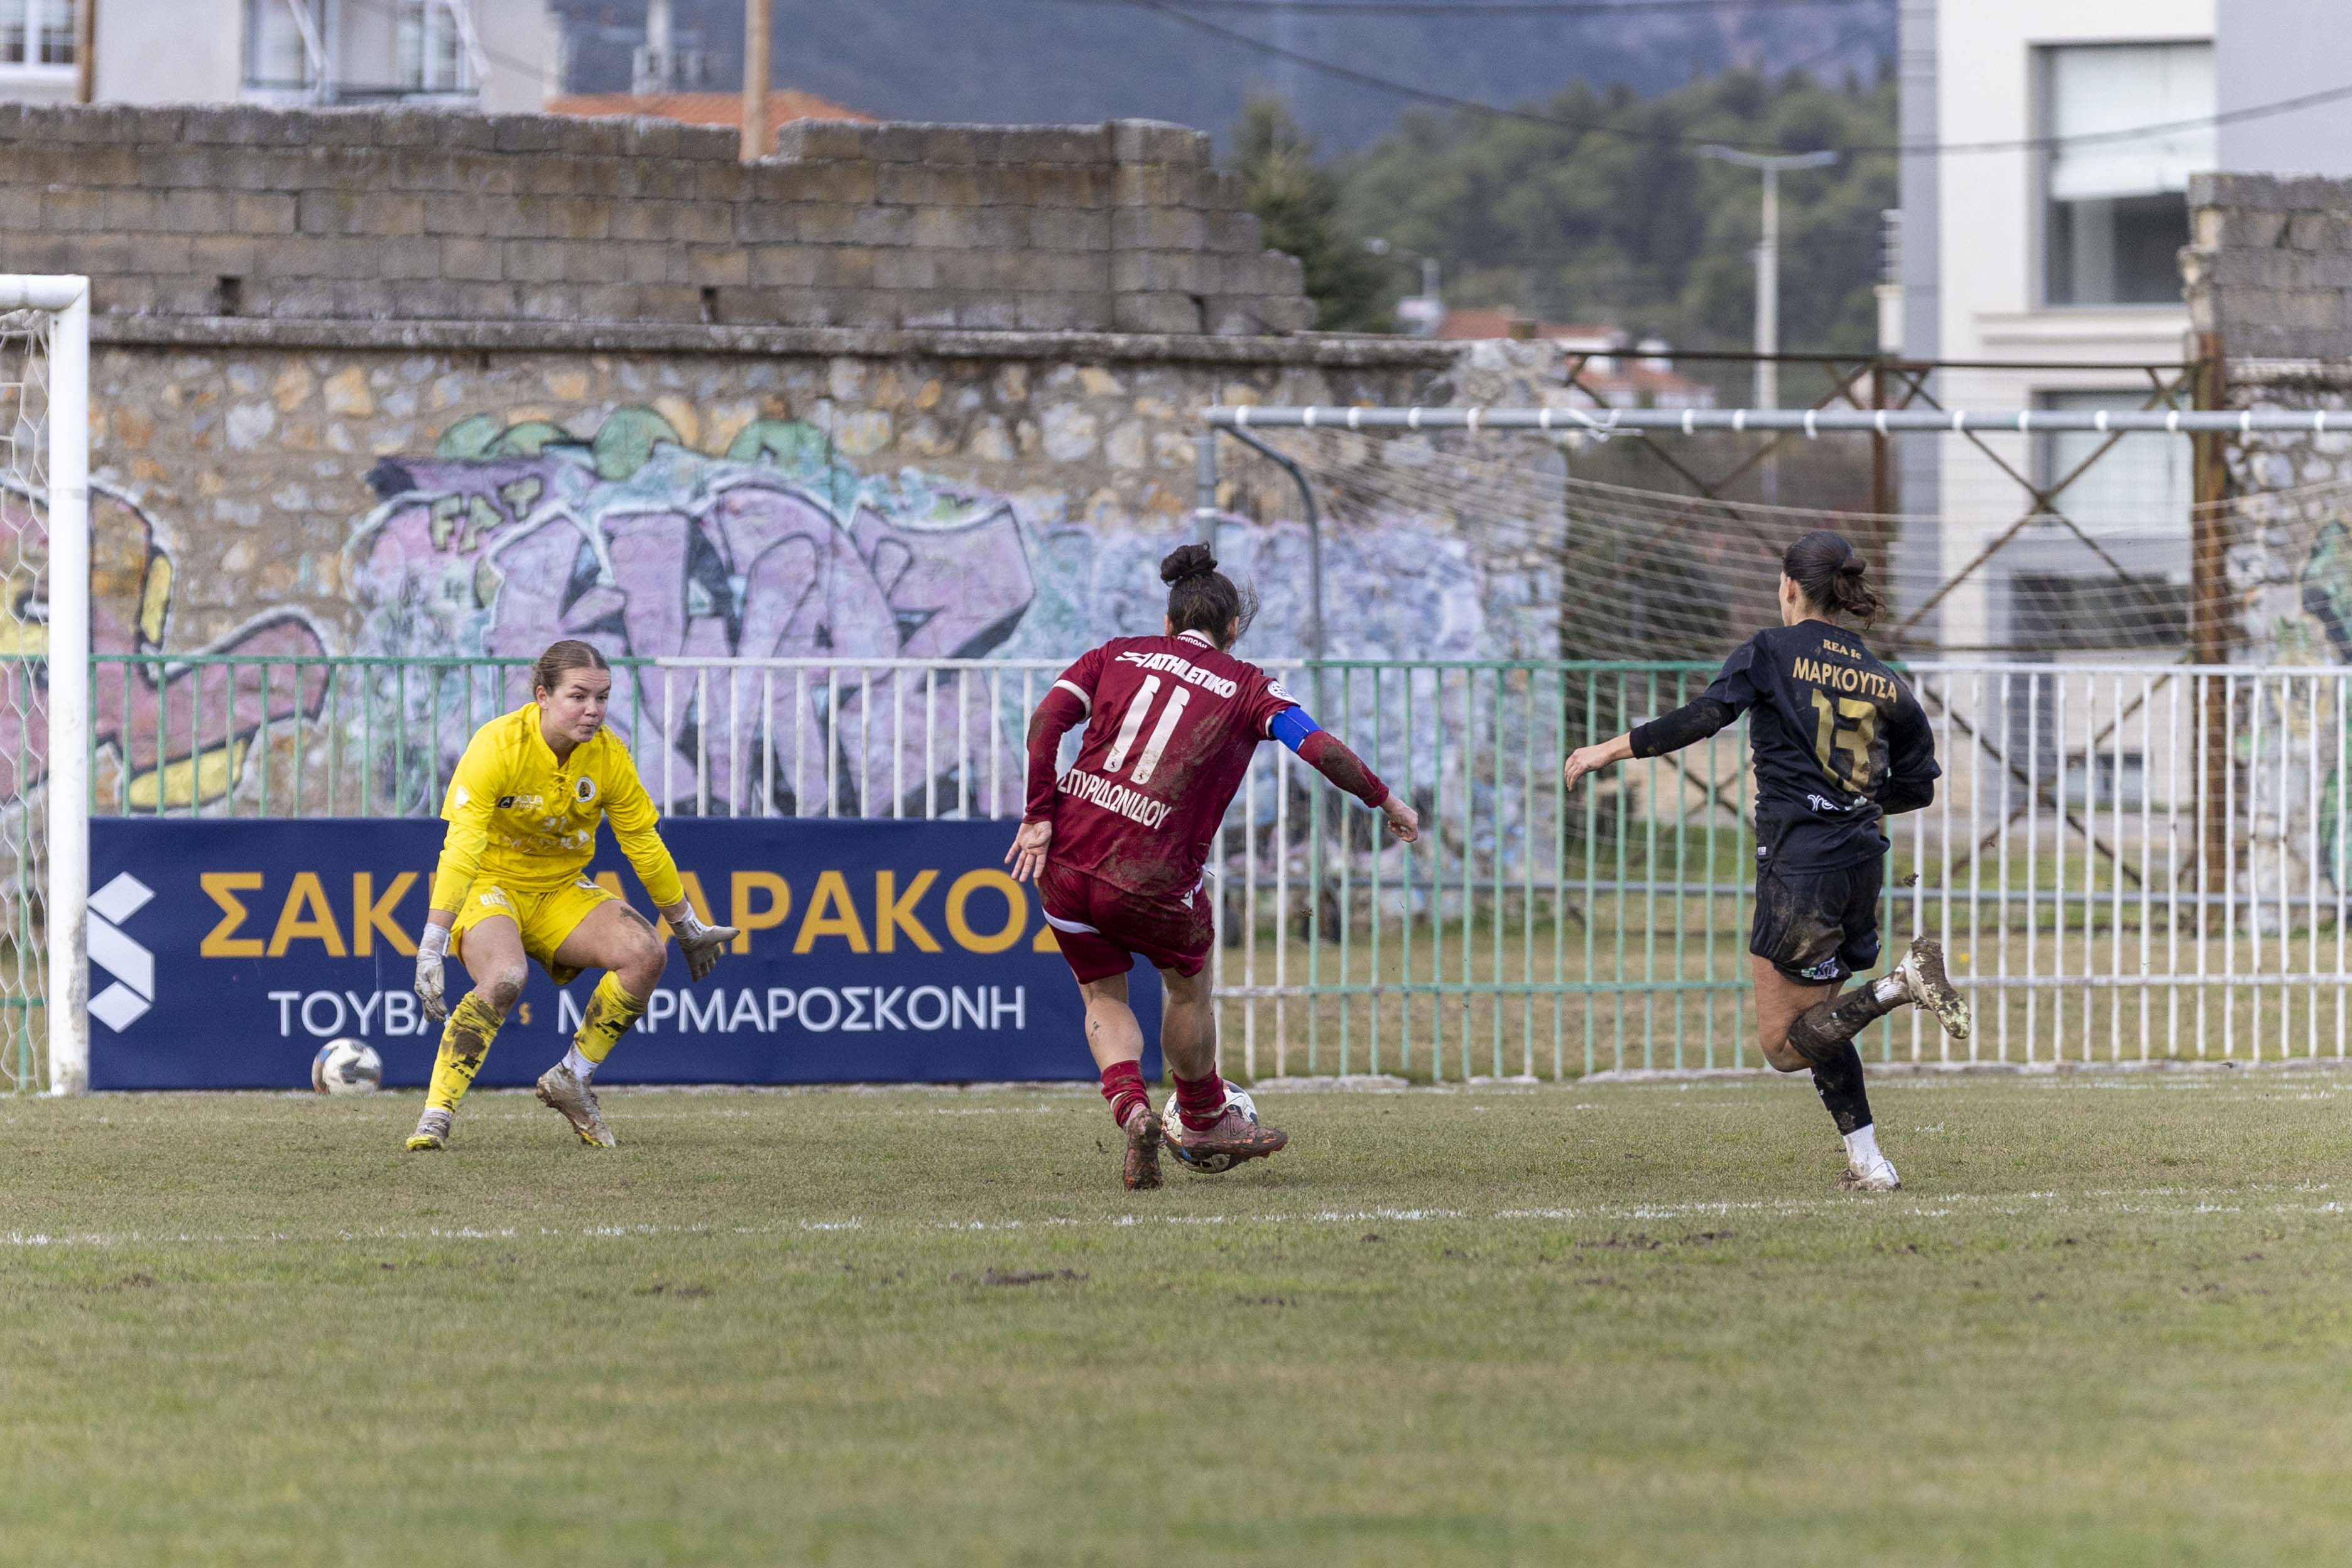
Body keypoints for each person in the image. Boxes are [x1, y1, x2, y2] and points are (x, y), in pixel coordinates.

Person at [1560, 530, 1969, 1192]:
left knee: (1783, 1045)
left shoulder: (1770, 652)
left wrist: (1608, 749)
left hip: (1800, 866)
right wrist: (1856, 802)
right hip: (1860, 863)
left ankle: (1899, 986)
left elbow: (1705, 716)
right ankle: (1869, 1164)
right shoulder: (1883, 678)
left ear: (1790, 586)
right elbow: (1918, 786)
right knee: (1820, 1026)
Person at [1006, 544, 1421, 1190]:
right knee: (1187, 988)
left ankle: (1134, 1111)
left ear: (1168, 621)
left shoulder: (1112, 656)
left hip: (1066, 861)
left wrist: (1038, 813)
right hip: (1151, 872)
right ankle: (1201, 1117)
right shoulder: (1248, 686)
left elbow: (1045, 721)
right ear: (1232, 629)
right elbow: (1319, 749)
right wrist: (1385, 800)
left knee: (1103, 996)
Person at [405, 639, 737, 1152]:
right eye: (578, 696)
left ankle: (571, 1078)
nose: (593, 710)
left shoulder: (609, 755)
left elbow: (643, 844)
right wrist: (433, 943)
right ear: (542, 696)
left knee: (646, 954)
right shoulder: (496, 746)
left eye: (602, 698)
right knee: (505, 978)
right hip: (492, 886)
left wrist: (686, 926)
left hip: (561, 890)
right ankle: (436, 1115)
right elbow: (461, 849)